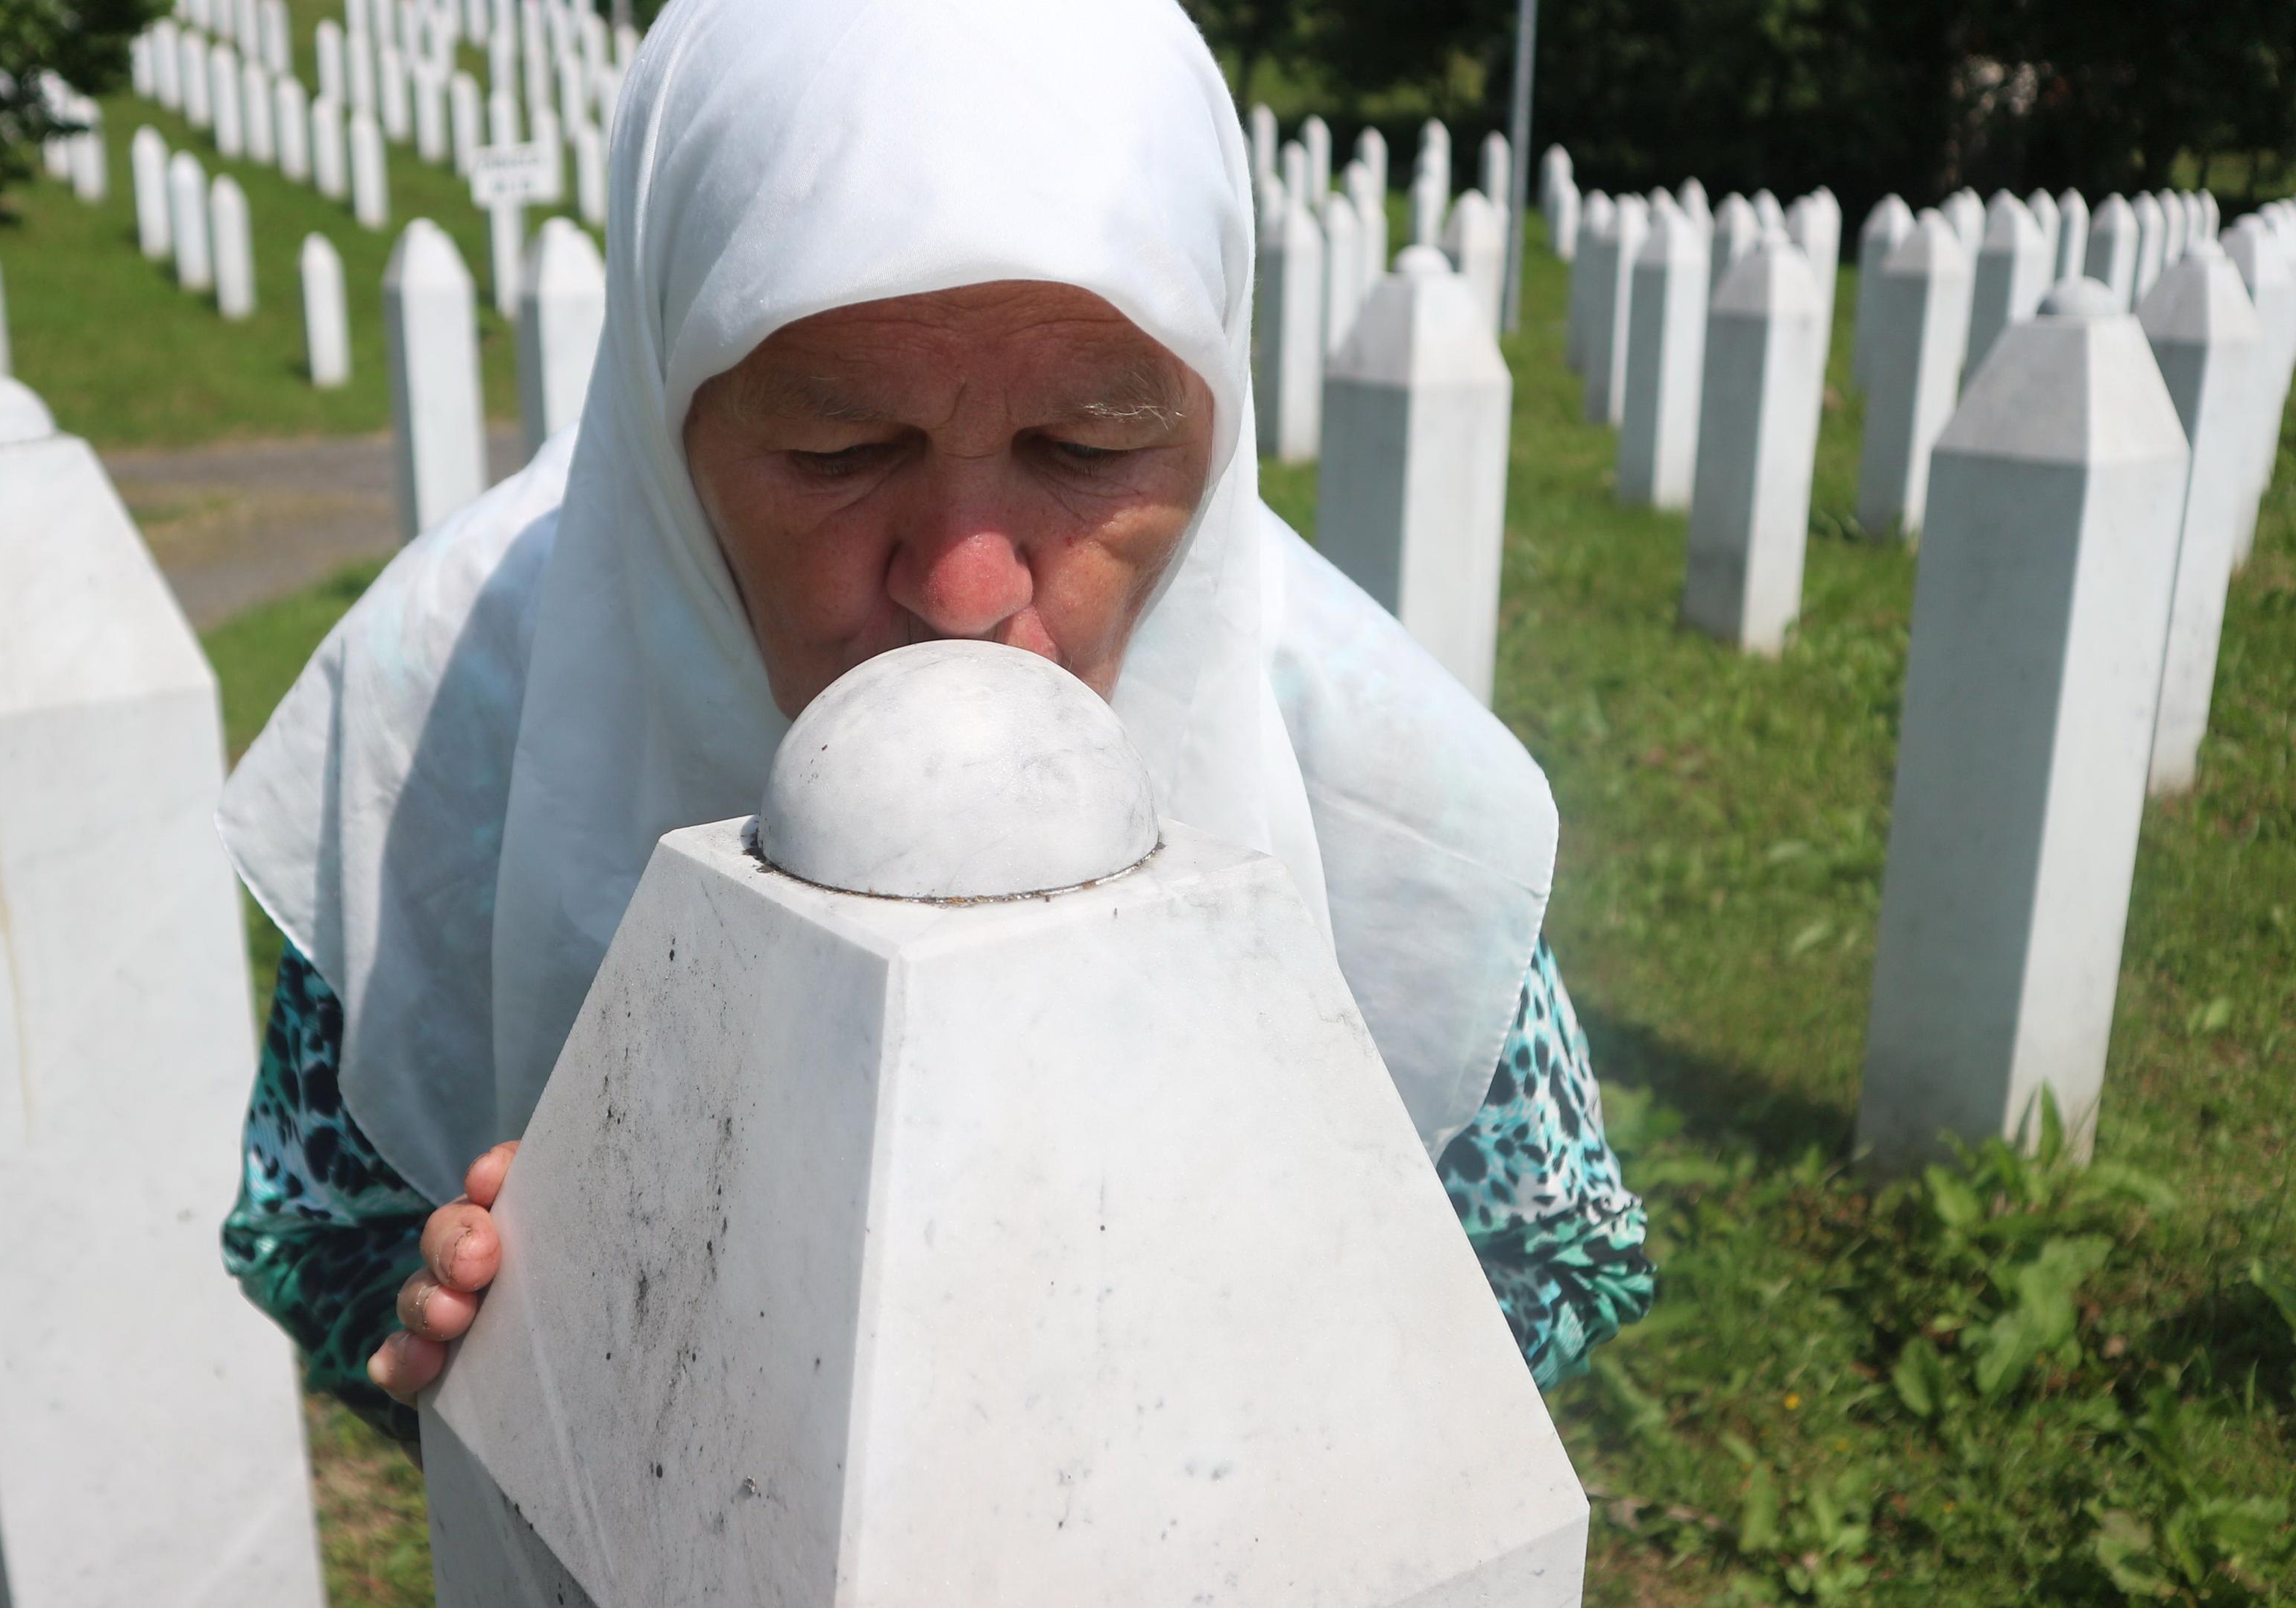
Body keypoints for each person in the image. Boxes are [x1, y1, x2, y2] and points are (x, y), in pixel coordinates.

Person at [217, 0, 1652, 1450]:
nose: (968, 590)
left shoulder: (1382, 785)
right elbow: (319, 1226)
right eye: (840, 452)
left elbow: (1546, 1257)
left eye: (1086, 448)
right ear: (666, 419)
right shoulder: (442, 706)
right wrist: (485, 1340)